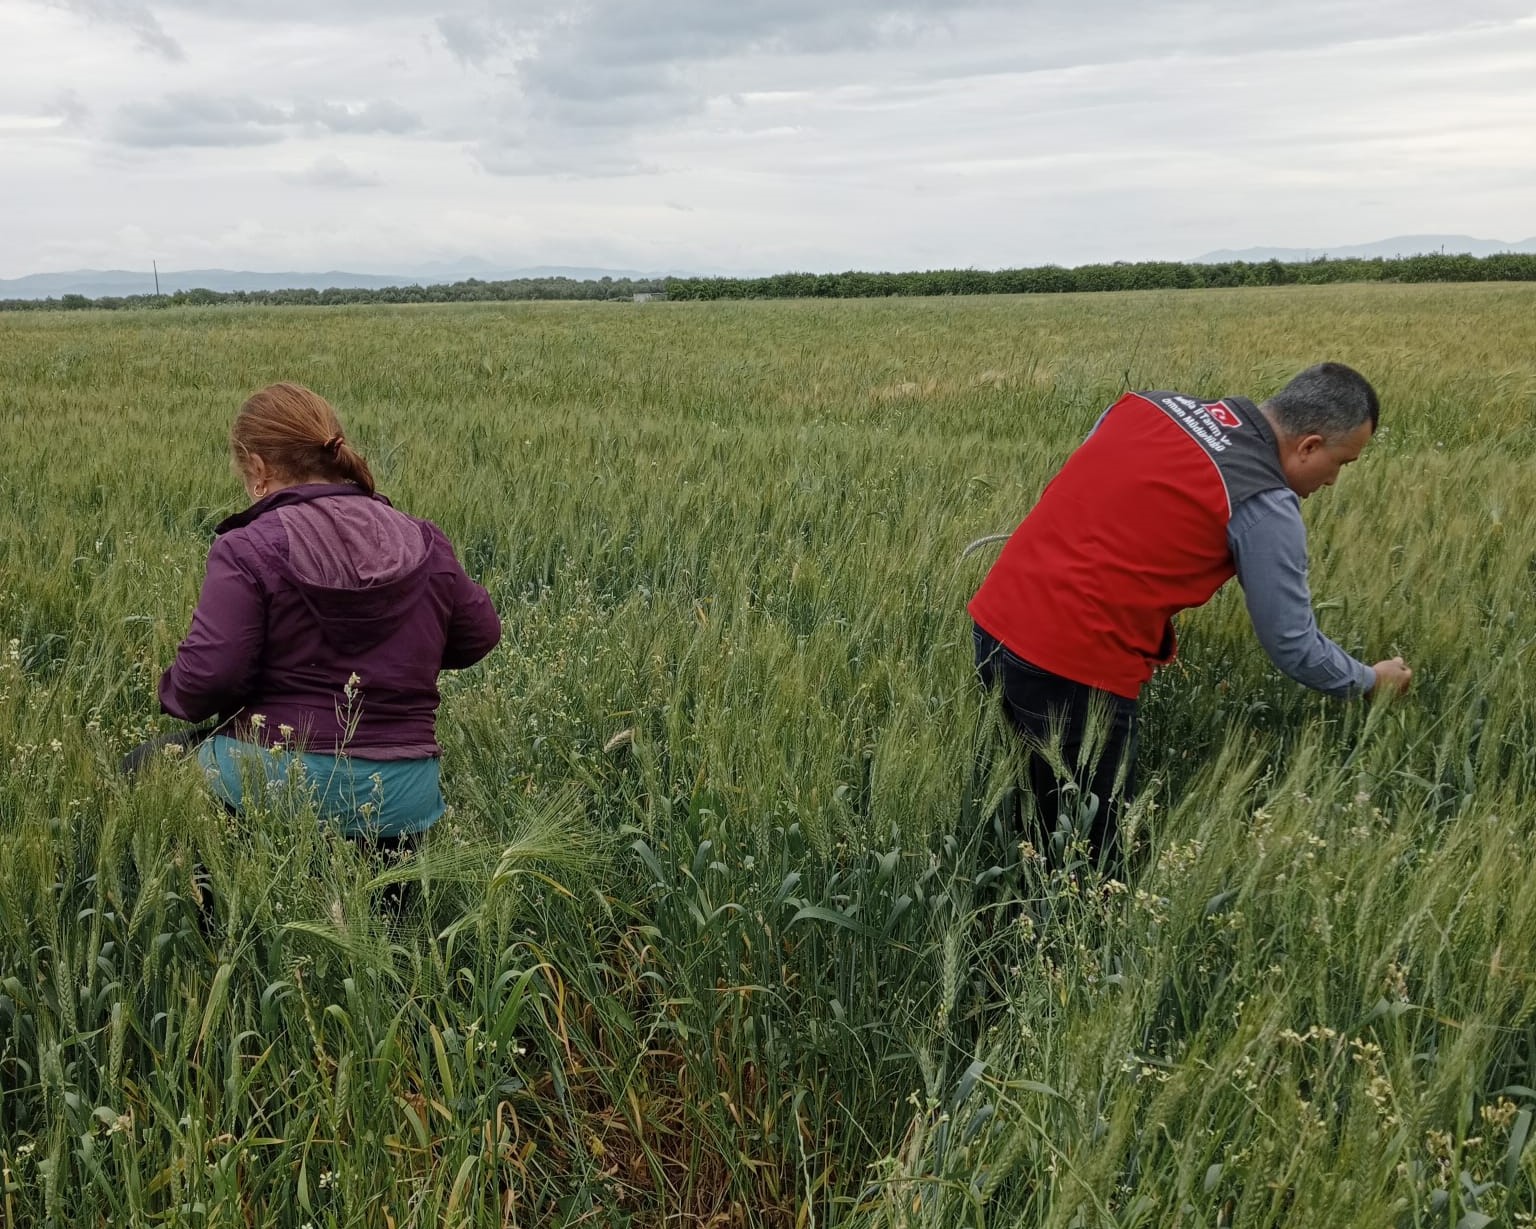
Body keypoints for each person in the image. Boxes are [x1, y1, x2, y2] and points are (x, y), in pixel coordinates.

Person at [968, 362, 1412, 871]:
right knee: (1092, 853)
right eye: (1341, 463)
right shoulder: (1265, 502)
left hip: (995, 620)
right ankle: (1068, 934)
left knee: (1031, 795)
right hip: (1075, 665)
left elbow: (1093, 490)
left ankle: (1011, 893)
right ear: (1308, 445)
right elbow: (1293, 644)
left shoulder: (1149, 405)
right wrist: (1367, 680)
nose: (1333, 480)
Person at [152, 382, 502, 849]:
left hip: (280, 781)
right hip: (402, 800)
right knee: (387, 924)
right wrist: (398, 661)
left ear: (257, 468)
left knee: (144, 771)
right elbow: (478, 634)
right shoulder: (421, 538)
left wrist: (171, 688)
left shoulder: (248, 547)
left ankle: (211, 920)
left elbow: (210, 678)